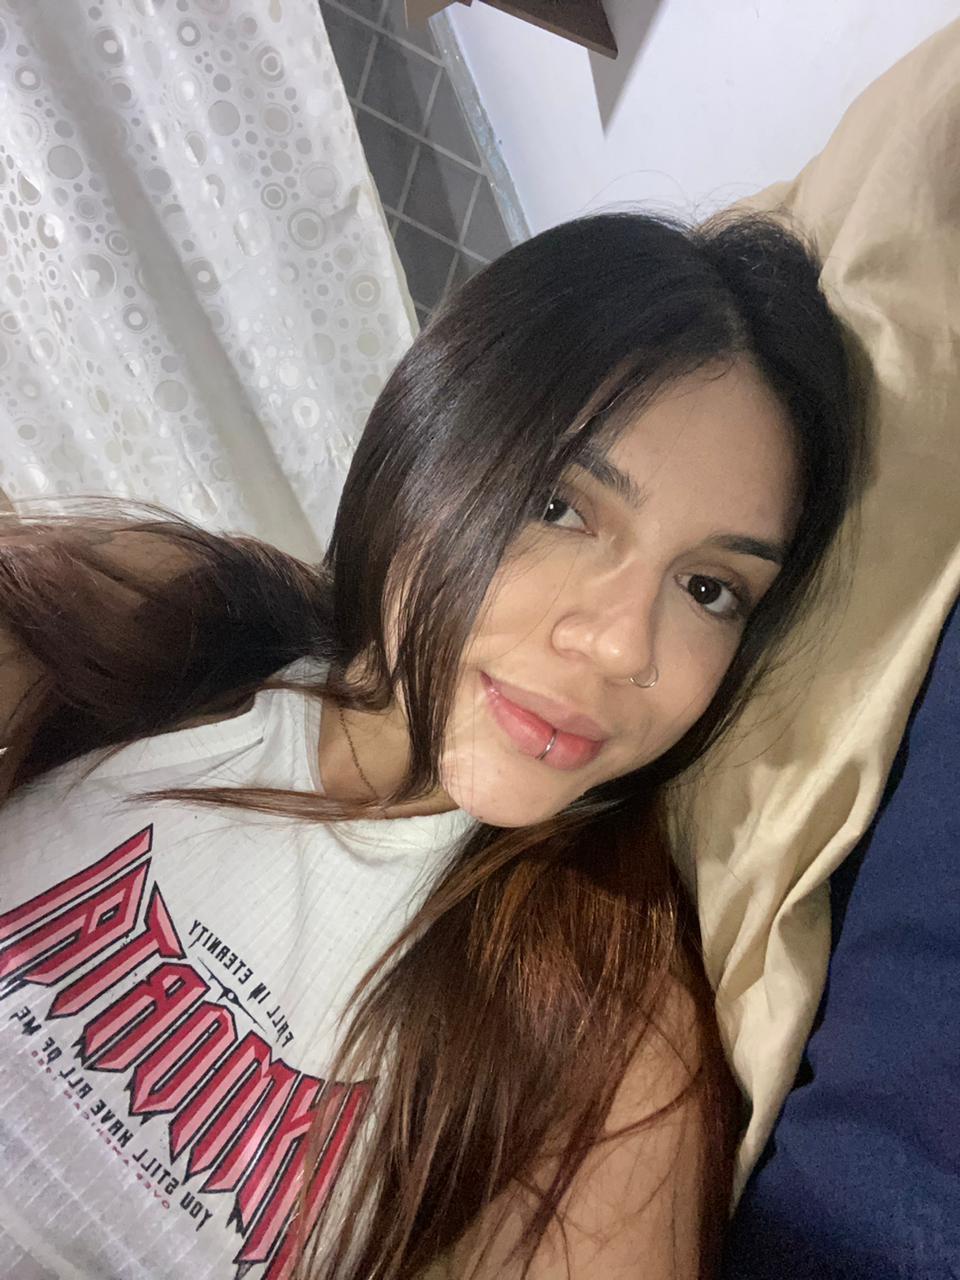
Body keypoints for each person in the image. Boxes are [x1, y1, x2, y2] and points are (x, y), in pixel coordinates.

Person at [0, 211, 863, 1280]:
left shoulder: (607, 1044)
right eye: (560, 506)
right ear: (433, 436)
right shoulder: (176, 618)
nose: (621, 644)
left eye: (708, 587)